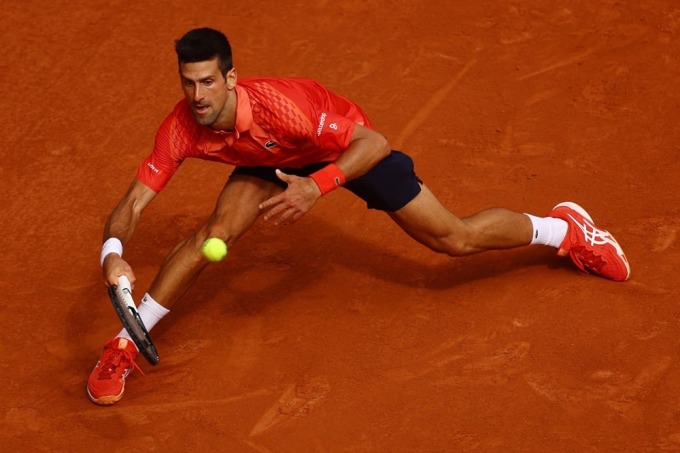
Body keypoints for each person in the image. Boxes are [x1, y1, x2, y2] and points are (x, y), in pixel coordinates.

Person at [86, 27, 631, 405]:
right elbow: (133, 203)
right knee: (214, 234)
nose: (198, 95)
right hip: (266, 162)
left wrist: (316, 186)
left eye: (208, 82)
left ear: (231, 78)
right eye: (189, 82)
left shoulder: (284, 106)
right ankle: (125, 344)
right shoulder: (183, 124)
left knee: (454, 239)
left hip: (344, 153)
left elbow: (374, 141)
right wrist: (114, 257)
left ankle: (565, 228)